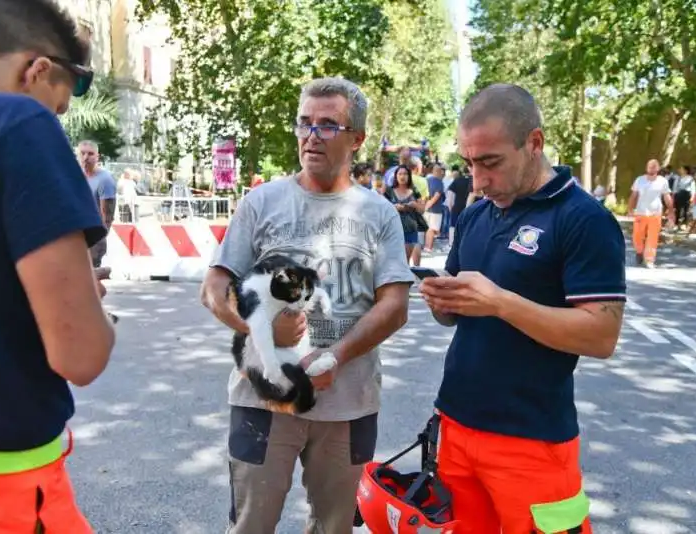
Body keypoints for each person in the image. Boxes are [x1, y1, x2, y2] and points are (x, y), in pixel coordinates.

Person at [200, 77, 413, 534]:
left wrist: (336, 356)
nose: (311, 135)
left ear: (356, 138)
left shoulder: (379, 214)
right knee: (250, 526)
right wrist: (260, 330)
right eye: (304, 123)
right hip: (264, 401)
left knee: (334, 528)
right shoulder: (261, 203)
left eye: (328, 125)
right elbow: (214, 290)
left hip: (348, 405)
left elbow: (394, 306)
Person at [0, 0, 116, 531]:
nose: (53, 121)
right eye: (56, 108)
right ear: (37, 70)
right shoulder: (16, 125)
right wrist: (88, 303)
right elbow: (81, 356)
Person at [419, 84, 626, 534]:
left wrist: (500, 303)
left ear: (534, 142)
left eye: (490, 162)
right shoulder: (476, 213)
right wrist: (443, 303)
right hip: (455, 425)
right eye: (469, 163)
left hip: (531, 442)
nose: (477, 179)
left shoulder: (583, 219)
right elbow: (457, 314)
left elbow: (601, 336)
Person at [628, 159, 674, 268]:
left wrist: (671, 211)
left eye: (654, 166)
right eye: (649, 166)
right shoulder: (639, 180)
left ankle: (649, 259)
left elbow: (667, 197)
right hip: (640, 212)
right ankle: (639, 251)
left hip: (656, 213)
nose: (651, 168)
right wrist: (630, 209)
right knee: (637, 235)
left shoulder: (662, 181)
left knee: (653, 237)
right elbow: (633, 195)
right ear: (646, 168)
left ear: (658, 168)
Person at [78, 140, 117, 267]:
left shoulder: (104, 179)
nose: (86, 157)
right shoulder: (75, 176)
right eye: (82, 153)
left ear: (97, 157)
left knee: (91, 281)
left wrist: (98, 241)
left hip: (93, 238)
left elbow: (107, 215)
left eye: (90, 154)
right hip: (76, 236)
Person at [423, 163, 445, 252]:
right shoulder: (439, 182)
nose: (442, 173)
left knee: (428, 228)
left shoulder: (426, 180)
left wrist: (425, 206)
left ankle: (426, 246)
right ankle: (428, 247)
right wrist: (429, 205)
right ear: (437, 171)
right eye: (440, 171)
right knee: (432, 229)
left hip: (426, 208)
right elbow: (437, 195)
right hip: (435, 210)